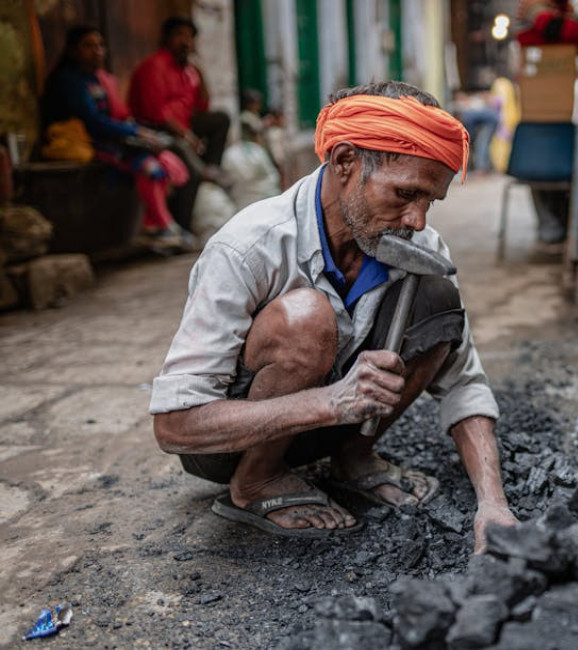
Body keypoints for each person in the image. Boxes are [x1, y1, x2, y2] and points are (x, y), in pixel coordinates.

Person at [149, 81, 519, 552]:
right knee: (307, 317)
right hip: (231, 442)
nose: (417, 220)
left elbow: (463, 381)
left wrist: (493, 503)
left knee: (437, 298)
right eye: (405, 193)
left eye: (430, 201)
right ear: (345, 162)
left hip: (335, 426)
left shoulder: (418, 246)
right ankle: (257, 480)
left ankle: (353, 458)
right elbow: (174, 425)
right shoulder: (249, 246)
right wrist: (329, 403)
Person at [40, 26, 191, 252]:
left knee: (162, 163)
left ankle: (157, 224)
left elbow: (115, 114)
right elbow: (92, 121)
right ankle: (161, 225)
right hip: (86, 144)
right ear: (72, 51)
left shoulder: (97, 79)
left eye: (100, 45)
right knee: (150, 168)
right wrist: (134, 132)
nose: (97, 51)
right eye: (88, 46)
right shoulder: (69, 81)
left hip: (109, 138)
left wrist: (136, 129)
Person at [128, 16, 231, 231]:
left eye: (190, 37)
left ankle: (210, 168)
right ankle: (182, 226)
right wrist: (186, 135)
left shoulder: (187, 71)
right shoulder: (154, 67)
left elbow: (202, 106)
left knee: (221, 119)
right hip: (155, 129)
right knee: (191, 170)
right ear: (166, 38)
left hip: (182, 126)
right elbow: (156, 114)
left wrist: (200, 74)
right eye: (179, 35)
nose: (186, 42)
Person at [515, 0, 578, 246]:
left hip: (568, 119)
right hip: (539, 121)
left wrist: (541, 16)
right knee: (538, 168)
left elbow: (577, 33)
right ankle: (551, 228)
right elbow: (527, 39)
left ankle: (559, 227)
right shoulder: (530, 37)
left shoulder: (573, 30)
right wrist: (542, 18)